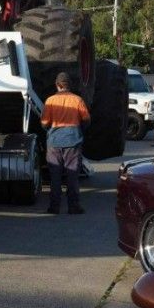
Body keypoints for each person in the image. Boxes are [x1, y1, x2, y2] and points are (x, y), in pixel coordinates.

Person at [41, 72, 91, 215]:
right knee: (72, 175)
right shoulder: (77, 100)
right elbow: (86, 120)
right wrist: (79, 130)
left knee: (55, 176)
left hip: (54, 143)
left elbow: (44, 123)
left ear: (57, 85)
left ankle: (54, 207)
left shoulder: (50, 101)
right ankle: (74, 207)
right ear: (69, 85)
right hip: (73, 141)